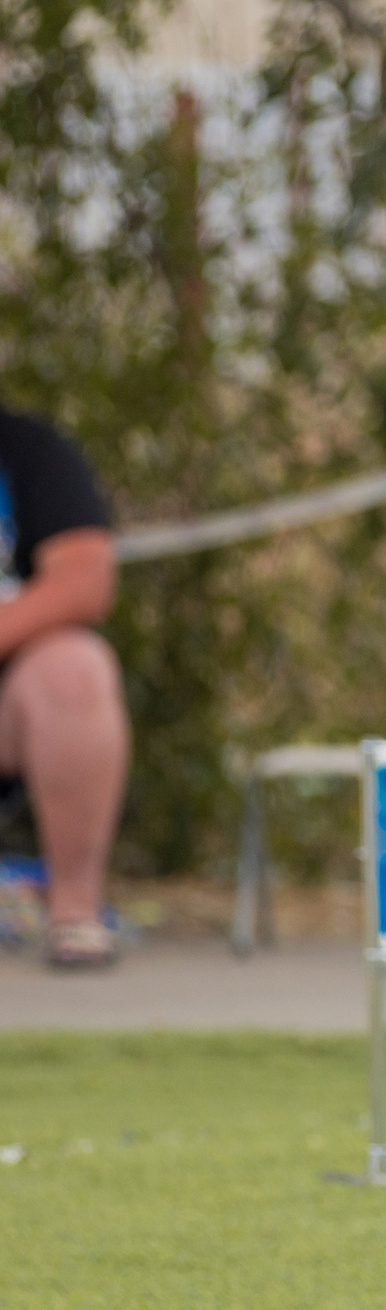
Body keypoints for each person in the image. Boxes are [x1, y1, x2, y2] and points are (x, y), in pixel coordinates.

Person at [0, 404, 126, 969]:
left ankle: (75, 914)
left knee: (76, 668)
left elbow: (85, 580)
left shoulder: (29, 450)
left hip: (11, 698)